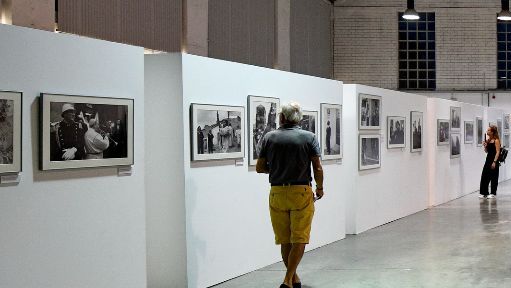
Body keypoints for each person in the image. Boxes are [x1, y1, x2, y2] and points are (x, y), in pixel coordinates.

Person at [256, 102, 324, 288]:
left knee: (285, 239)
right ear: (299, 118)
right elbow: (317, 167)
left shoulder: (269, 137)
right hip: (301, 191)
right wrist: (320, 188)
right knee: (299, 238)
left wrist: (277, 168)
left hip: (277, 191)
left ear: (282, 118)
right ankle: (288, 279)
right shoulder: (309, 137)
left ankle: (294, 278)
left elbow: (260, 167)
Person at [479, 125, 501, 199]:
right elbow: (486, 151)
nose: (487, 131)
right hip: (488, 159)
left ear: (492, 132)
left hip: (494, 160)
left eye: (489, 130)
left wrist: (494, 162)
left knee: (494, 176)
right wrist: (485, 146)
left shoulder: (496, 140)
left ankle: (493, 193)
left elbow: (498, 152)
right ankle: (484, 192)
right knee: (485, 175)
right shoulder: (488, 140)